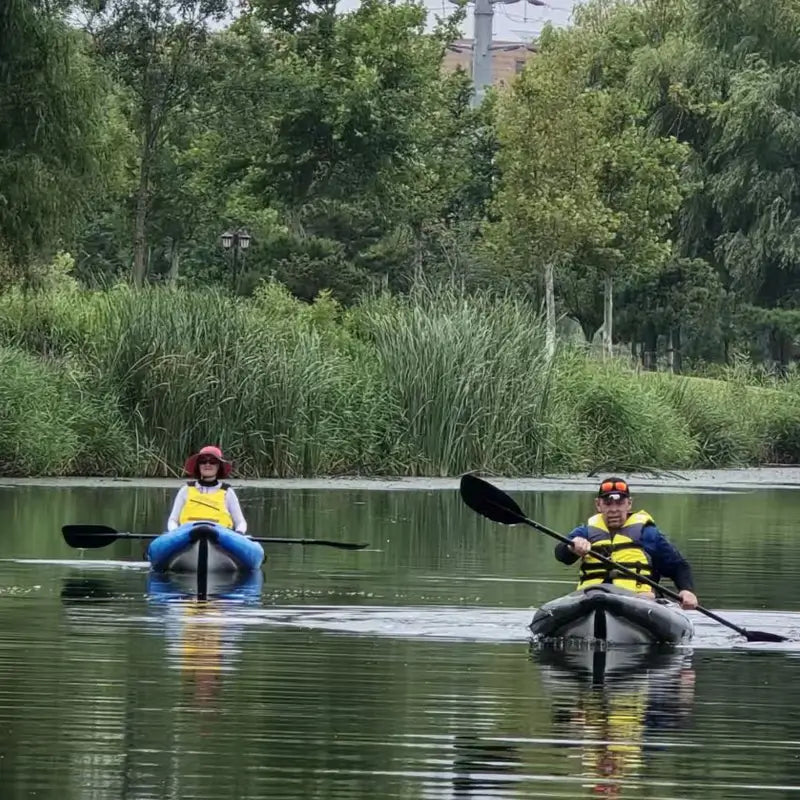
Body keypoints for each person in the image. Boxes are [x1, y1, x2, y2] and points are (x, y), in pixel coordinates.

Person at [555, 477, 698, 610]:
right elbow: (561, 555)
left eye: (620, 503)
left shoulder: (648, 534)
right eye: (607, 503)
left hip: (637, 600)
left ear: (629, 504)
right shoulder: (585, 532)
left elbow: (678, 566)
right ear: (598, 505)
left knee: (648, 597)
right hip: (591, 597)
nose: (614, 509)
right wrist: (572, 547)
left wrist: (686, 591)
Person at [167, 445, 247, 534]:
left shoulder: (227, 492)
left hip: (220, 536)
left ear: (219, 466)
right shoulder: (185, 490)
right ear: (198, 466)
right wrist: (174, 532)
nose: (207, 464)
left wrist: (239, 532)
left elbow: (240, 522)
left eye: (212, 461)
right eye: (203, 461)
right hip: (188, 535)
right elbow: (173, 520)